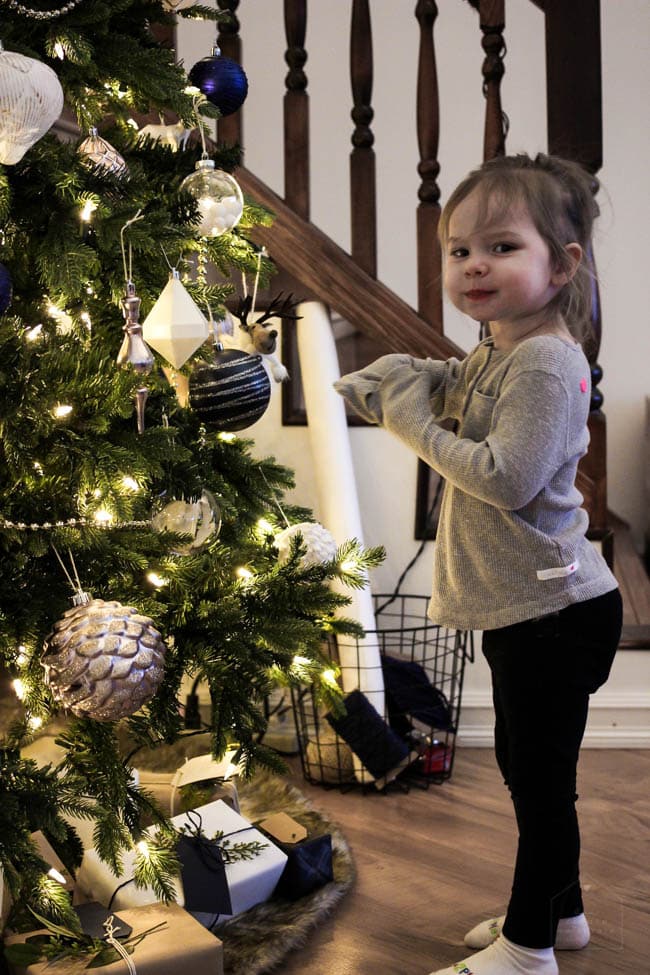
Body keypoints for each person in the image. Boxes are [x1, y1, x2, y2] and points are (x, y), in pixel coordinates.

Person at [334, 152, 622, 975]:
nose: (473, 265)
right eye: (459, 251)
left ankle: (528, 948)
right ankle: (559, 913)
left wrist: (408, 424)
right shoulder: (503, 346)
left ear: (563, 264)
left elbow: (506, 476)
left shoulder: (547, 360)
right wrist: (404, 376)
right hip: (522, 607)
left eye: (500, 246)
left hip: (555, 612)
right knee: (527, 773)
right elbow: (455, 376)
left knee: (540, 787)